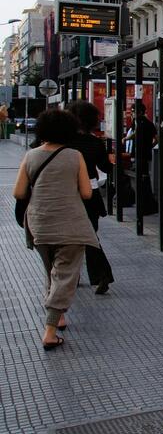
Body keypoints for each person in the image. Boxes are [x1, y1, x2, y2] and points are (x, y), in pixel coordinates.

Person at [13, 109, 98, 350]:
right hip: (70, 224)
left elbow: (18, 193)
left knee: (52, 271)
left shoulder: (31, 156)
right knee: (64, 275)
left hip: (39, 223)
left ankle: (59, 316)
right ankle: (50, 330)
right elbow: (86, 193)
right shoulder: (74, 156)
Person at [66, 101, 115, 295]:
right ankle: (101, 275)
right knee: (90, 236)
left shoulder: (64, 142)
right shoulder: (95, 143)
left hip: (68, 194)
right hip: (91, 195)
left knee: (68, 237)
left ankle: (72, 275)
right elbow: (106, 168)